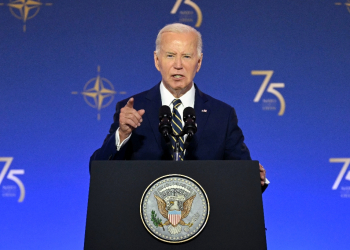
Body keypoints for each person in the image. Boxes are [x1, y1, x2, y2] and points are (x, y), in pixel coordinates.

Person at [90, 23, 268, 189]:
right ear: (157, 60)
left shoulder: (222, 115)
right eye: (170, 55)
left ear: (198, 62)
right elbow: (98, 170)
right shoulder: (133, 108)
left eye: (186, 56)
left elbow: (243, 178)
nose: (178, 65)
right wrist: (122, 135)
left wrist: (254, 178)